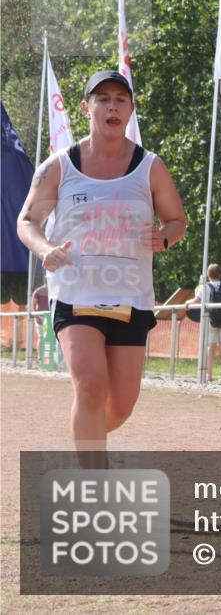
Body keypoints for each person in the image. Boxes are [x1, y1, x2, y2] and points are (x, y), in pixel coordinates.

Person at [16, 69, 187, 466]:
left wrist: (163, 237)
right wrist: (45, 250)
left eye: (120, 100)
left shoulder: (150, 166)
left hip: (131, 297)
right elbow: (27, 220)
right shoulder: (60, 166)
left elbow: (177, 221)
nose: (112, 106)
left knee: (121, 405)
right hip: (75, 293)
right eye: (103, 98)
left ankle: (86, 440)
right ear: (87, 107)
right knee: (90, 387)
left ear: (130, 109)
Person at [186, 263, 221, 382]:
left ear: (208, 275)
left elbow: (196, 301)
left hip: (210, 320)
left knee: (210, 348)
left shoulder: (204, 287)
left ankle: (208, 375)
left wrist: (186, 303)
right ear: (220, 274)